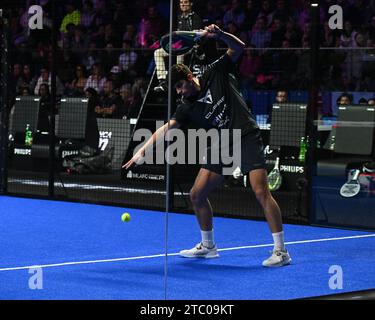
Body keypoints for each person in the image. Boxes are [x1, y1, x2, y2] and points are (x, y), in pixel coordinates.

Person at [124, 24, 291, 267]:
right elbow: (167, 127)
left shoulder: (215, 71)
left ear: (190, 77)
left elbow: (239, 47)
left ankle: (281, 251)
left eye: (181, 86)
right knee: (196, 194)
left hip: (245, 133)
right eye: (176, 90)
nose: (180, 93)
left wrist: (221, 35)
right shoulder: (186, 106)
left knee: (260, 191)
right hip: (223, 142)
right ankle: (209, 246)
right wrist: (143, 149)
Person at [153, 0, 203, 92]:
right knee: (158, 52)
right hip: (178, 45)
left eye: (185, 2)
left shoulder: (196, 18)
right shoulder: (178, 18)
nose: (183, 4)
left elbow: (196, 34)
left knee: (179, 53)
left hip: (191, 46)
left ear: (191, 4)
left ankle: (176, 77)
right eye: (181, 3)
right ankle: (163, 80)